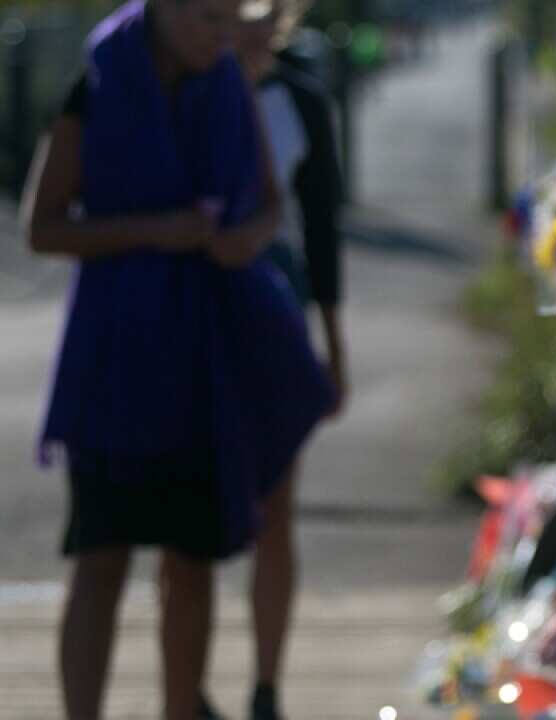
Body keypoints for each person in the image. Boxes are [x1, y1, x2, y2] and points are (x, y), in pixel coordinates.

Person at [20, 0, 334, 718]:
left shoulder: (229, 82)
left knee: (190, 564)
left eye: (230, 20)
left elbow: (266, 204)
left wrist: (243, 242)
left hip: (205, 357)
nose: (221, 36)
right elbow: (41, 226)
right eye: (205, 17)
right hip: (115, 357)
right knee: (100, 560)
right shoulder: (96, 82)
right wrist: (156, 230)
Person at [192, 3, 347, 718]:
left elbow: (322, 230)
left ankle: (265, 685)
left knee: (276, 503)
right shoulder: (186, 87)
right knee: (187, 511)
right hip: (193, 304)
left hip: (277, 304)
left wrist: (333, 345)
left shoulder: (302, 98)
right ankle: (182, 685)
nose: (248, 27)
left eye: (260, 13)